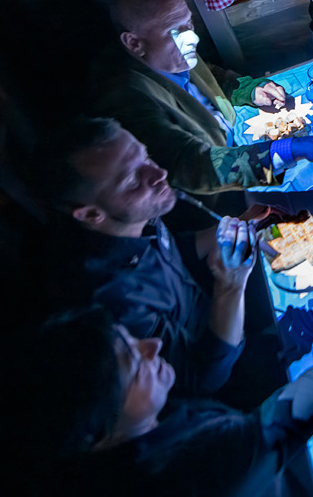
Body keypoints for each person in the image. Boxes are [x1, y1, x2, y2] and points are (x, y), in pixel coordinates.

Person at [13, 210, 313, 497]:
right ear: (100, 435)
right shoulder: (192, 475)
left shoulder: (120, 444)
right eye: (134, 365)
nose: (153, 345)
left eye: (132, 341)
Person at [28, 116, 260, 398]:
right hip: (230, 372)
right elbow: (203, 376)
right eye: (131, 179)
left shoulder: (130, 214)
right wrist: (231, 287)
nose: (158, 173)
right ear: (90, 214)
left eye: (145, 156)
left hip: (216, 303)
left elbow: (171, 254)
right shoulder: (111, 302)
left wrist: (237, 228)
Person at [94, 0, 313, 198]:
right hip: (226, 192)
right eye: (174, 31)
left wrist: (251, 91)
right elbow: (195, 167)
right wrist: (294, 148)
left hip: (246, 143)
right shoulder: (127, 100)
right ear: (134, 43)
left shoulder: (169, 53)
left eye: (189, 23)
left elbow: (214, 76)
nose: (192, 37)